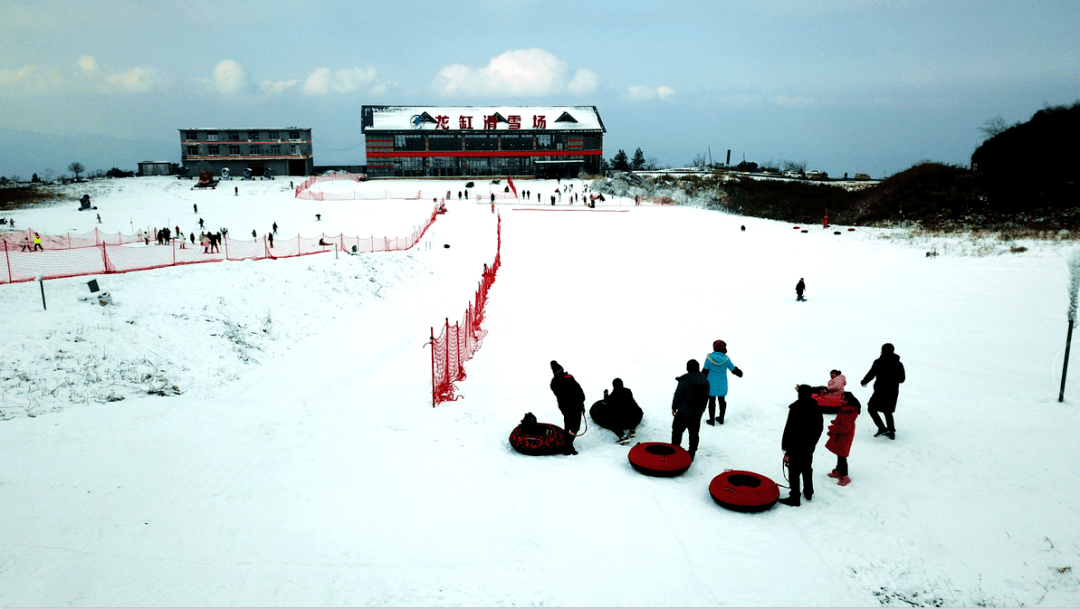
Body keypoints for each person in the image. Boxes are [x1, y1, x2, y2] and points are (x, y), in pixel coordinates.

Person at [779, 385, 824, 506]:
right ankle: (808, 492)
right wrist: (813, 443)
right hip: (809, 446)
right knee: (806, 468)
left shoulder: (796, 408)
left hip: (795, 445)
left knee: (793, 471)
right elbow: (819, 428)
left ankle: (794, 497)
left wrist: (785, 445)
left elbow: (789, 428)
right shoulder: (816, 408)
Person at [860, 343, 906, 440]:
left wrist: (864, 381)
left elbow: (871, 373)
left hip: (880, 390)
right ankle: (891, 432)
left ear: (883, 350)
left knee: (871, 408)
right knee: (887, 411)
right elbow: (902, 379)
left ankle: (882, 428)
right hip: (892, 391)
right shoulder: (898, 364)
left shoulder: (878, 362)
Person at [670, 359, 710, 459]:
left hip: (683, 412)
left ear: (687, 368)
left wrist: (674, 407)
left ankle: (675, 449)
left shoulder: (684, 381)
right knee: (694, 433)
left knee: (677, 431)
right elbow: (706, 396)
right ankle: (692, 452)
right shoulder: (705, 380)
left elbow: (678, 395)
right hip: (697, 413)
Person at [590, 378, 643, 444]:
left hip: (624, 421)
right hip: (635, 419)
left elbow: (609, 408)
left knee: (609, 418)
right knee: (634, 410)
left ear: (613, 386)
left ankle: (623, 437)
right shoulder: (628, 391)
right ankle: (632, 429)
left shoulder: (614, 395)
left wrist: (606, 398)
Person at [703, 339, 743, 426]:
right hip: (722, 384)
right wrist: (739, 373)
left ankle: (711, 420)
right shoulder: (726, 359)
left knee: (711, 402)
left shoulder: (709, 358)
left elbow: (705, 371)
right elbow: (733, 369)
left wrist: (700, 380)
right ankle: (721, 418)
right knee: (722, 401)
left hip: (711, 384)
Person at [549, 360, 585, 456]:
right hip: (575, 406)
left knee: (568, 425)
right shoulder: (569, 378)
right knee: (575, 427)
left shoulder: (554, 383)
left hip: (564, 407)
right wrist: (581, 402)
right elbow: (579, 391)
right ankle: (568, 445)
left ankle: (567, 443)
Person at [825, 397, 860, 486]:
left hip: (843, 438)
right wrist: (836, 422)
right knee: (840, 455)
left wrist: (833, 428)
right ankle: (838, 471)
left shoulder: (846, 412)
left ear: (849, 401)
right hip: (842, 437)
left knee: (842, 456)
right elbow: (845, 422)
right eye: (841, 399)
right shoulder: (845, 410)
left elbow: (845, 428)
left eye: (844, 399)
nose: (841, 401)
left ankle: (845, 476)